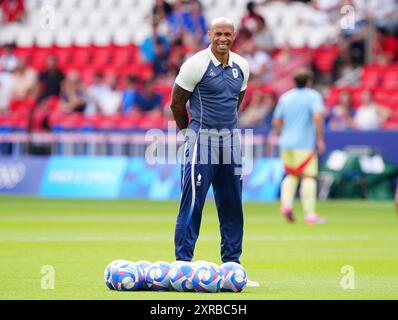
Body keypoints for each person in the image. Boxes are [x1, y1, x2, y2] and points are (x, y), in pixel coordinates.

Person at [170, 17, 258, 286]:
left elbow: (235, 104)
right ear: (209, 34)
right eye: (218, 33)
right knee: (193, 202)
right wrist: (191, 135)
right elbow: (176, 105)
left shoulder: (242, 66)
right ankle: (182, 265)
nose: (223, 38)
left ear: (234, 35)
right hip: (201, 143)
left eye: (227, 34)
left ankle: (232, 268)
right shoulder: (195, 64)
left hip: (231, 144)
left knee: (233, 205)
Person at [273, 68, 326, 225]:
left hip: (286, 143)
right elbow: (317, 116)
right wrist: (320, 138)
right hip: (304, 144)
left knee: (291, 175)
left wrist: (282, 134)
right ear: (309, 81)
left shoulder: (286, 97)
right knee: (308, 177)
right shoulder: (313, 96)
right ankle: (310, 215)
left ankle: (286, 205)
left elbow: (276, 120)